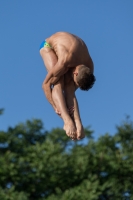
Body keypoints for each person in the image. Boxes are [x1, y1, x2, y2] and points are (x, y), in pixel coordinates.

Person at [39, 32, 95, 140]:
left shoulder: (89, 68)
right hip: (47, 46)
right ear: (75, 73)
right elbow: (45, 85)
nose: (73, 83)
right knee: (58, 82)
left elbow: (70, 92)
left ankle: (78, 124)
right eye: (76, 82)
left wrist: (77, 122)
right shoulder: (64, 62)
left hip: (72, 53)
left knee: (69, 87)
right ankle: (67, 121)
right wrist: (56, 108)